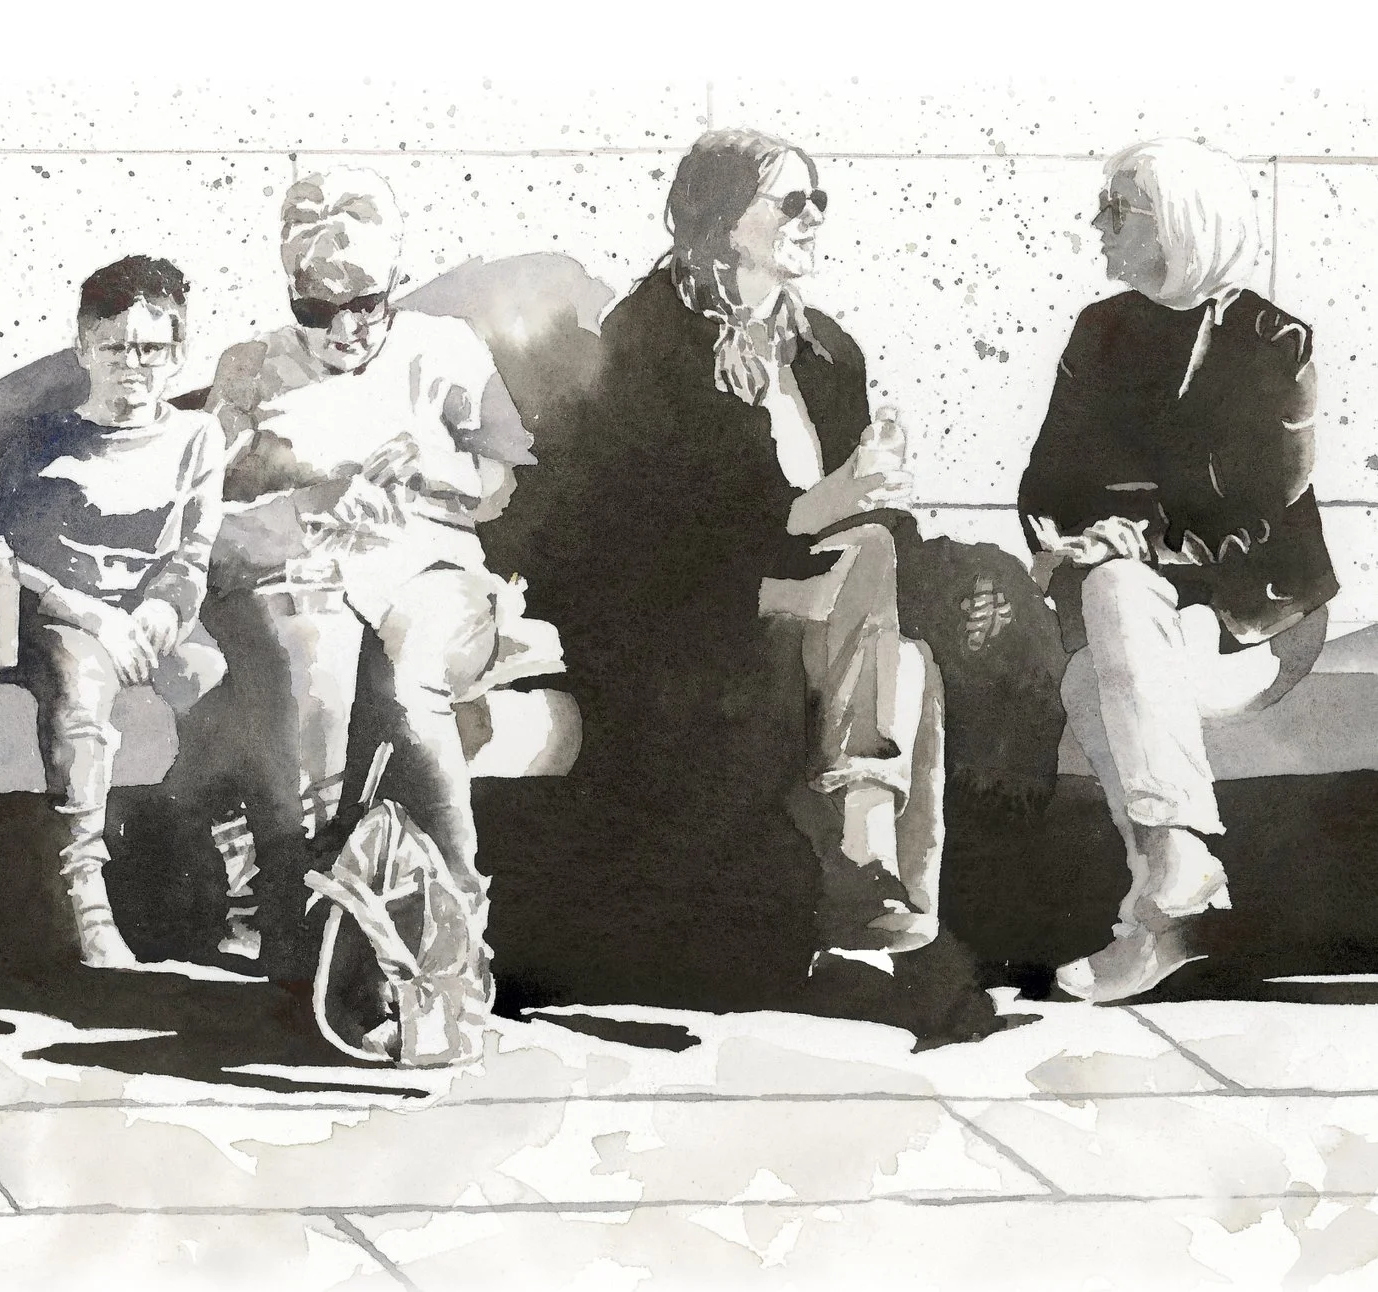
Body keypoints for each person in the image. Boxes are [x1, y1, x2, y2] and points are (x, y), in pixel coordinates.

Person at [510, 128, 947, 966]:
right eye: (791, 200)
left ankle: (879, 895)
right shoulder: (648, 340)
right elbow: (678, 528)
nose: (813, 216)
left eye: (819, 198)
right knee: (871, 577)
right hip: (689, 594)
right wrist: (835, 502)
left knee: (896, 620)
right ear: (721, 218)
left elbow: (848, 520)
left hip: (813, 589)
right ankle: (865, 874)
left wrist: (872, 494)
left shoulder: (828, 349)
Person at [194, 168, 547, 985]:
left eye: (365, 305)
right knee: (311, 666)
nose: (344, 329)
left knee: (410, 680)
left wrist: (434, 466)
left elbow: (508, 482)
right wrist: (305, 476)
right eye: (316, 310)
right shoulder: (249, 365)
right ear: (289, 291)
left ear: (394, 284)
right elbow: (205, 489)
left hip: (429, 570)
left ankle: (458, 929)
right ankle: (303, 916)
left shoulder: (446, 349)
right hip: (299, 572)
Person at [1018, 138, 1336, 1003]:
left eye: (1117, 211)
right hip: (1137, 609)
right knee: (1092, 663)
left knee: (1114, 606)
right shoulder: (1100, 331)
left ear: (1181, 222)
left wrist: (1140, 539)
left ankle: (1169, 878)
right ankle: (1171, 885)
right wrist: (1080, 538)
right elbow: (1048, 483)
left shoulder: (1275, 342)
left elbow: (1263, 509)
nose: (1097, 226)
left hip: (1252, 623)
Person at [0, 256, 227, 969]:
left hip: (153, 617)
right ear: (84, 346)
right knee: (83, 701)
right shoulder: (38, 440)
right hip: (64, 617)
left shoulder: (197, 438)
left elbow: (195, 551)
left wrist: (162, 612)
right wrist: (94, 618)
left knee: (227, 689)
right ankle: (85, 900)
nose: (133, 365)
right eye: (115, 347)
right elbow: (2, 555)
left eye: (151, 348)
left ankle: (230, 883)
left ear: (177, 352)